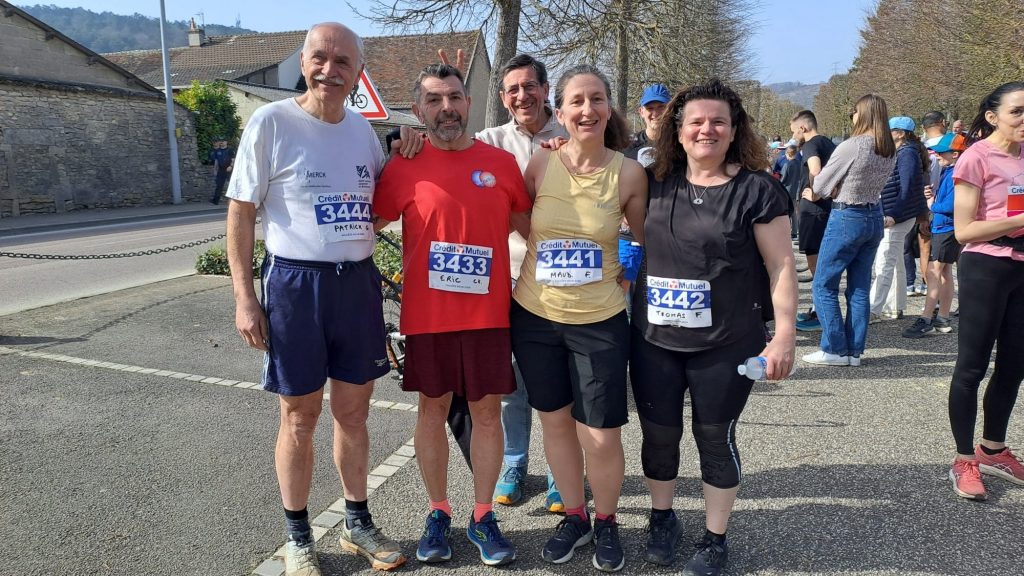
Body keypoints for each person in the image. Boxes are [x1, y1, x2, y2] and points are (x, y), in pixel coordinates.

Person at [225, 22, 406, 576]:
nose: (330, 70)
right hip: (295, 286)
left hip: (356, 285)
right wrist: (245, 297)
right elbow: (241, 212)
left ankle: (357, 523)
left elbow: (380, 204)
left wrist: (411, 148)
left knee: (353, 413)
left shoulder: (362, 131)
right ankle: (298, 537)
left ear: (358, 73)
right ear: (303, 63)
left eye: (343, 61)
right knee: (299, 416)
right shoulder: (271, 122)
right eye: (320, 58)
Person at [632, 78, 797, 575]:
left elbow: (781, 265)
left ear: (734, 129)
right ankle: (662, 519)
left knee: (714, 439)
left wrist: (784, 335)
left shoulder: (758, 189)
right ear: (677, 130)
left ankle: (714, 538)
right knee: (659, 437)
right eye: (696, 122)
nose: (707, 130)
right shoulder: (652, 180)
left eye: (718, 121)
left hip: (726, 343)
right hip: (655, 340)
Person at [373, 63, 530, 566]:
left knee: (486, 414)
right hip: (428, 319)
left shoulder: (501, 164)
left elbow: (535, 229)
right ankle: (438, 511)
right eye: (435, 100)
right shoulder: (404, 166)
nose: (447, 108)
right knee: (432, 412)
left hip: (488, 317)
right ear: (418, 110)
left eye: (455, 98)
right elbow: (363, 226)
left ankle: (483, 516)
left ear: (469, 103)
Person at [512, 64, 646, 572]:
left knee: (601, 432)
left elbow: (644, 239)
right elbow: (521, 220)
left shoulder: (628, 173)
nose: (587, 109)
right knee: (555, 423)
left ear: (609, 107)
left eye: (596, 99)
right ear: (560, 110)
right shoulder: (540, 163)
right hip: (536, 316)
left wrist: (626, 279)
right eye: (576, 101)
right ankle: (574, 516)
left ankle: (607, 520)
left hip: (600, 320)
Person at [474, 53, 568, 512]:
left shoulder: (573, 135)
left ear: (546, 90)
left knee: (559, 377)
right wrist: (404, 139)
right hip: (508, 276)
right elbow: (444, 148)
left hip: (564, 277)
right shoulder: (489, 141)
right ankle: (514, 461)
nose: (522, 95)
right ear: (502, 97)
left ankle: (560, 469)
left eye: (530, 86)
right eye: (512, 89)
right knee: (509, 379)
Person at [946, 81, 1024, 501]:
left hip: (1022, 266)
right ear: (993, 117)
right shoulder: (976, 157)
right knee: (972, 367)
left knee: (1014, 365)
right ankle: (964, 460)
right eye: (1018, 111)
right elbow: (964, 230)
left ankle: (993, 450)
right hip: (986, 265)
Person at [801, 95, 897, 366]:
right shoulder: (888, 148)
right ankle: (854, 351)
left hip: (847, 215)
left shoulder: (852, 145)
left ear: (861, 114)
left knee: (823, 284)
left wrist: (828, 188)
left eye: (852, 112)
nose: (851, 116)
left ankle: (834, 349)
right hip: (874, 215)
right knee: (859, 287)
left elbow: (820, 185)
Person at [903, 131, 968, 338]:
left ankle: (926, 318)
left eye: (942, 152)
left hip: (946, 227)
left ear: (955, 154)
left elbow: (951, 205)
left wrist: (932, 204)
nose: (937, 155)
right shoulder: (950, 171)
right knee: (945, 272)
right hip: (945, 227)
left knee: (934, 271)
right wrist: (932, 196)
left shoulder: (957, 173)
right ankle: (942, 318)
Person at [868, 116, 929, 322]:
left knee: (884, 261)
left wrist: (894, 214)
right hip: (899, 212)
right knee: (894, 261)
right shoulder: (904, 152)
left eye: (890, 130)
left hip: (898, 214)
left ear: (901, 133)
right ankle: (894, 306)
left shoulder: (907, 154)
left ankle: (873, 309)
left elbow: (907, 187)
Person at [620, 84, 669, 304]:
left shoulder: (682, 146)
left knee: (654, 297)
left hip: (665, 234)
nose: (655, 113)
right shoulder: (627, 148)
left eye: (661, 107)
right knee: (621, 293)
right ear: (641, 111)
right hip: (630, 235)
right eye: (650, 108)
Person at [790, 110, 836, 331]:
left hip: (814, 211)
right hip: (826, 209)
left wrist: (816, 193)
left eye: (794, 131)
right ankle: (820, 310)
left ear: (803, 128)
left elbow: (816, 170)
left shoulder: (810, 145)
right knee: (823, 263)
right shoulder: (828, 143)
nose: (793, 136)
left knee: (816, 265)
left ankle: (820, 313)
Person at [779, 144, 802, 237]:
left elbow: (783, 179)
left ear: (788, 154)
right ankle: (795, 232)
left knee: (787, 212)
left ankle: (787, 231)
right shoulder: (799, 164)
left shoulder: (787, 165)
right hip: (797, 190)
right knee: (795, 213)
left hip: (787, 191)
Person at [208, 137, 234, 205]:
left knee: (231, 185)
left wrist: (231, 166)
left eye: (223, 141)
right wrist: (215, 170)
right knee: (219, 185)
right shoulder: (217, 151)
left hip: (228, 170)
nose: (222, 142)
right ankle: (215, 201)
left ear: (226, 142)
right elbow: (216, 161)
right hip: (221, 170)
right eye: (221, 141)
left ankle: (233, 201)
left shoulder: (230, 150)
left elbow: (233, 159)